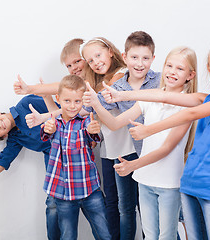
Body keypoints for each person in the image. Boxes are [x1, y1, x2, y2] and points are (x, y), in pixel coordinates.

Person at [103, 39, 210, 240]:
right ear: (208, 69)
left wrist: (149, 130)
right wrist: (121, 95)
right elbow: (162, 96)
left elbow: (190, 114)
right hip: (189, 183)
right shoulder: (205, 97)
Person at [84, 46, 198, 239]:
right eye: (169, 65)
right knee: (151, 235)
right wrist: (96, 103)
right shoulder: (150, 98)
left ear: (190, 75)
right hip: (144, 181)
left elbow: (167, 148)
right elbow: (114, 123)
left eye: (180, 68)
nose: (172, 71)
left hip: (169, 183)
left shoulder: (188, 103)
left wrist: (133, 165)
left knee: (166, 236)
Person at [83, 31, 161, 240]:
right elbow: (89, 108)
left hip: (158, 154)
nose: (140, 63)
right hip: (129, 153)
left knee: (154, 209)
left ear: (153, 59)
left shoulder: (160, 80)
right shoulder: (115, 87)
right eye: (134, 58)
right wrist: (92, 106)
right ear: (125, 58)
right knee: (127, 206)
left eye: (145, 58)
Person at [0, 95, 61, 240]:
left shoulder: (26, 103)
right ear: (3, 136)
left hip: (72, 142)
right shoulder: (15, 138)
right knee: (53, 202)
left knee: (89, 199)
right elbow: (1, 163)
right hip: (54, 158)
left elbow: (61, 110)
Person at [41, 74, 111, 240]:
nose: (72, 106)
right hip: (64, 194)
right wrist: (47, 129)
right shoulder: (54, 123)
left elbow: (95, 135)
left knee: (104, 233)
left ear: (83, 101)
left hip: (89, 190)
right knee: (68, 235)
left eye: (77, 102)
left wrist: (95, 130)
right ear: (58, 99)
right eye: (67, 101)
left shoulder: (86, 122)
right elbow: (46, 133)